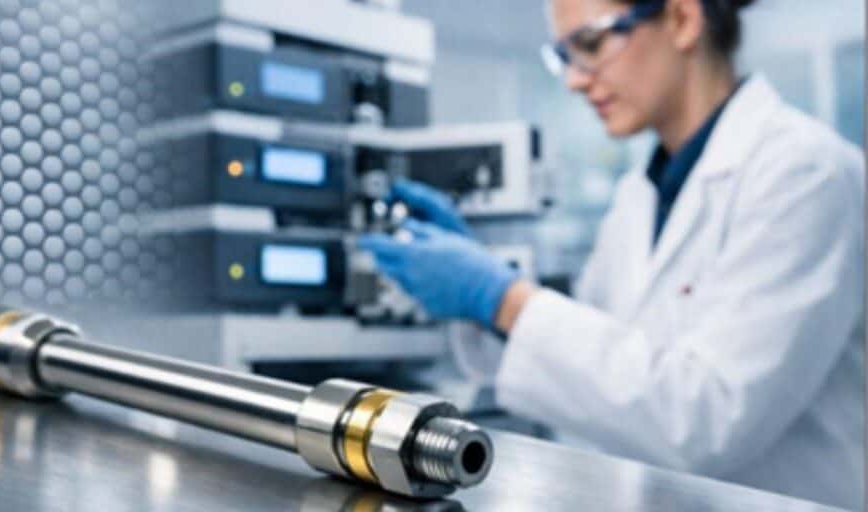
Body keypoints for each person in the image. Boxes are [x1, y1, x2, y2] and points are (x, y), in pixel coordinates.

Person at [358, 0, 865, 508]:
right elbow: (598, 372)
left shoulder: (806, 172)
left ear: (683, 20)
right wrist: (482, 293)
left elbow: (704, 422)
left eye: (591, 45)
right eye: (564, 56)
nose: (574, 80)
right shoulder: (639, 196)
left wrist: (501, 297)